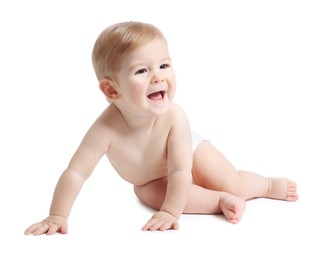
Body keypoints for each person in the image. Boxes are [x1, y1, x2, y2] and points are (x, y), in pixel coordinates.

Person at [24, 21, 298, 235]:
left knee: (231, 181)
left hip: (190, 154)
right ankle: (219, 201)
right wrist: (57, 215)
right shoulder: (104, 129)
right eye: (142, 71)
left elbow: (181, 170)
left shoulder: (175, 117)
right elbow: (75, 173)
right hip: (149, 179)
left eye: (164, 65)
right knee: (149, 194)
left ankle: (266, 185)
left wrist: (171, 212)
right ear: (111, 89)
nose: (158, 76)